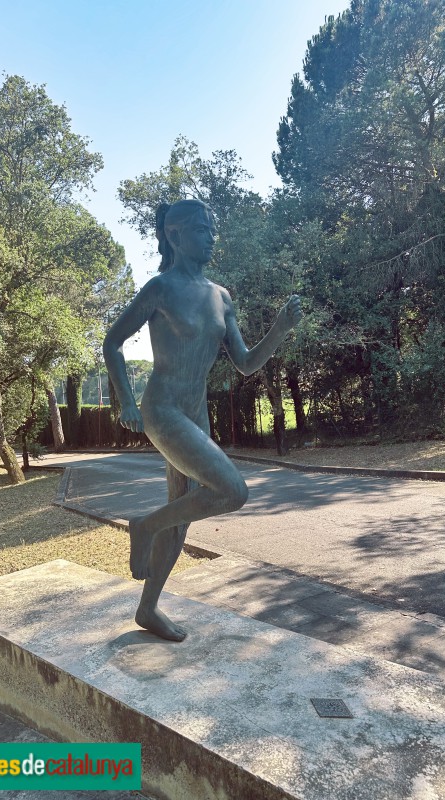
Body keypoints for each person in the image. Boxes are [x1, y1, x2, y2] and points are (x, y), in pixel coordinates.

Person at [103, 199, 302, 641]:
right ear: (175, 236)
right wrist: (126, 403)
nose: (212, 237)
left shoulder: (221, 296)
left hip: (195, 413)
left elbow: (246, 363)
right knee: (232, 490)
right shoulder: (160, 289)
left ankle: (148, 609)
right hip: (162, 408)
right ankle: (145, 525)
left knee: (184, 516)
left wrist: (280, 329)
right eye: (202, 229)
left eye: (214, 229)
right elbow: (112, 343)